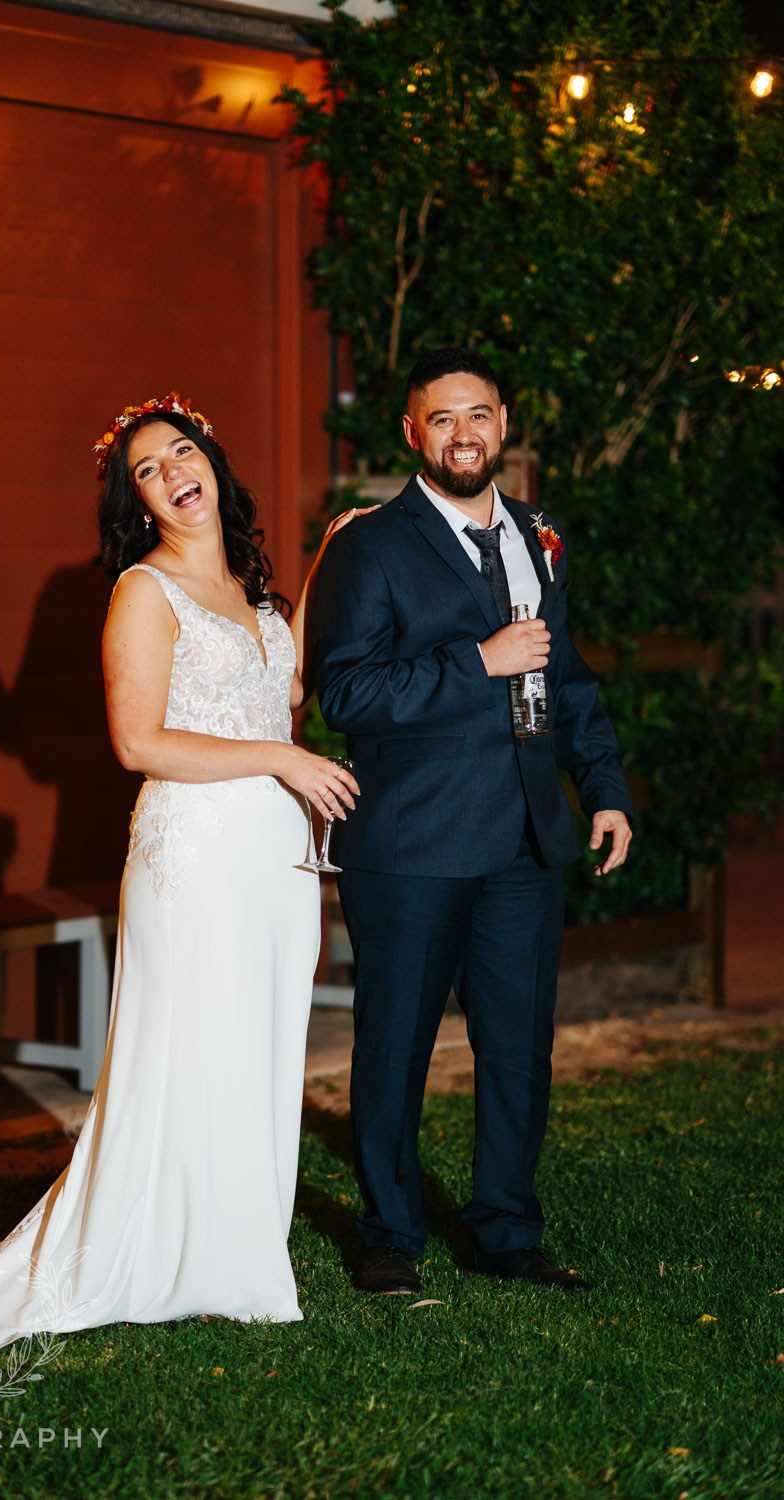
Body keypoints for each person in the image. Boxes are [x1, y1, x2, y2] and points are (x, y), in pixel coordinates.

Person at [0, 392, 359, 1430]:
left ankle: (231, 1249)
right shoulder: (143, 590)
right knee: (191, 1054)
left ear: (214, 464)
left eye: (181, 452)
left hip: (273, 863)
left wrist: (323, 564)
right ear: (136, 504)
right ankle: (174, 1252)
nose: (172, 473)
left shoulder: (249, 592)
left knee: (257, 1051)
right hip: (194, 855)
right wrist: (282, 760)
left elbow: (282, 695)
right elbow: (138, 742)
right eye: (147, 470)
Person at [312, 348, 633, 1296]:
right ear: (413, 432)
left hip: (526, 840)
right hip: (413, 842)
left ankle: (505, 1229)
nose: (464, 434)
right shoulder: (370, 544)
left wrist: (604, 786)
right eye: (443, 418)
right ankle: (390, 1234)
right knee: (396, 1045)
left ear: (503, 423)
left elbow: (565, 677)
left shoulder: (538, 533)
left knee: (518, 1048)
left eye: (479, 415)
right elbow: (347, 692)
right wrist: (478, 663)